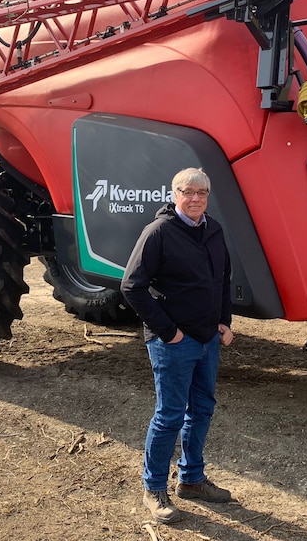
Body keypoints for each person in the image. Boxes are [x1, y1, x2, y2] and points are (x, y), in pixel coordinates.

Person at [120, 167, 234, 524]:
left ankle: (192, 479)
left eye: (202, 192)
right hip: (174, 342)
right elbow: (131, 287)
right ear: (174, 194)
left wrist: (225, 321)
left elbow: (222, 280)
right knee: (170, 415)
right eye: (189, 192)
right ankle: (153, 488)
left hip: (206, 339)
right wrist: (168, 332)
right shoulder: (159, 233)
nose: (196, 198)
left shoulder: (213, 230)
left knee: (201, 410)